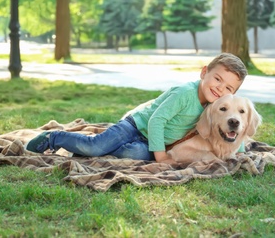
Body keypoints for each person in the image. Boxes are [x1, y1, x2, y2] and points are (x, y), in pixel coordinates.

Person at [26, 53, 248, 164]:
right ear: (203, 73)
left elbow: (227, 132)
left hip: (149, 141)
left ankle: (82, 150)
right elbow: (156, 121)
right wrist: (161, 158)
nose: (220, 88)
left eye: (228, 87)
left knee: (135, 155)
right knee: (96, 147)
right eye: (217, 79)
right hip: (135, 126)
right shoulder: (184, 93)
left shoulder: (216, 106)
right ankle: (54, 138)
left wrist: (240, 151)